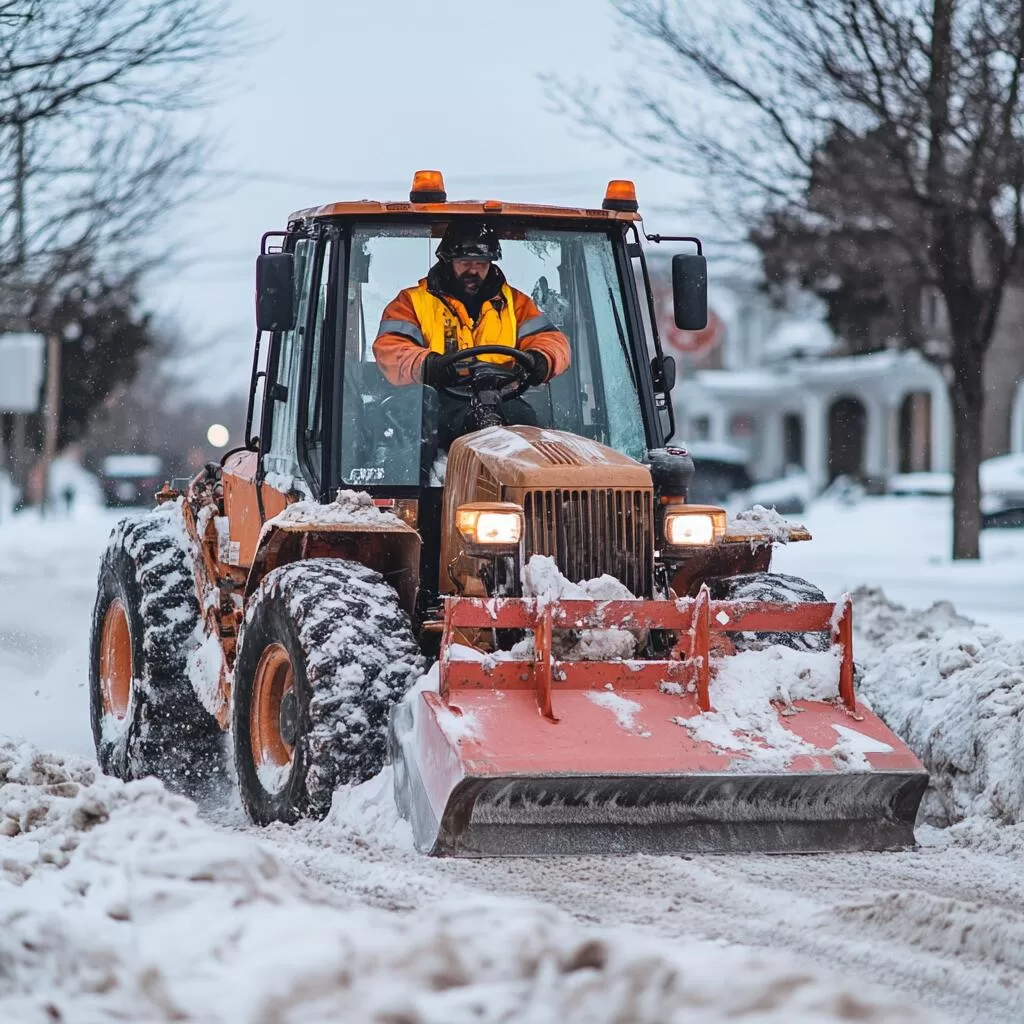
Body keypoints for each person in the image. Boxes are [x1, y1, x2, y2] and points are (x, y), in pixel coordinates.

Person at [372, 221, 571, 393]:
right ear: (448, 261)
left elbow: (552, 341)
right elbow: (390, 348)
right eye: (465, 262)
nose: (473, 270)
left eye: (481, 263)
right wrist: (427, 366)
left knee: (528, 427)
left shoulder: (516, 304)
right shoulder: (412, 302)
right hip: (432, 405)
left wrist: (541, 359)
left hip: (504, 400)